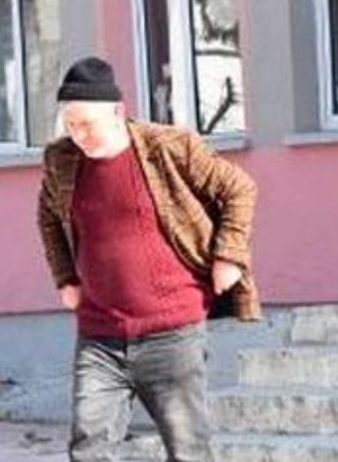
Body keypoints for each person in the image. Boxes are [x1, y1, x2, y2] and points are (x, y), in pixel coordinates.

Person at [35, 56, 259, 461]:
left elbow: (238, 189)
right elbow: (48, 216)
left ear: (117, 112)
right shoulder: (62, 161)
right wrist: (65, 278)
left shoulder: (167, 147)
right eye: (70, 124)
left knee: (188, 449)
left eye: (87, 124)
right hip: (100, 335)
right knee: (88, 448)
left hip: (172, 331)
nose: (79, 134)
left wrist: (229, 255)